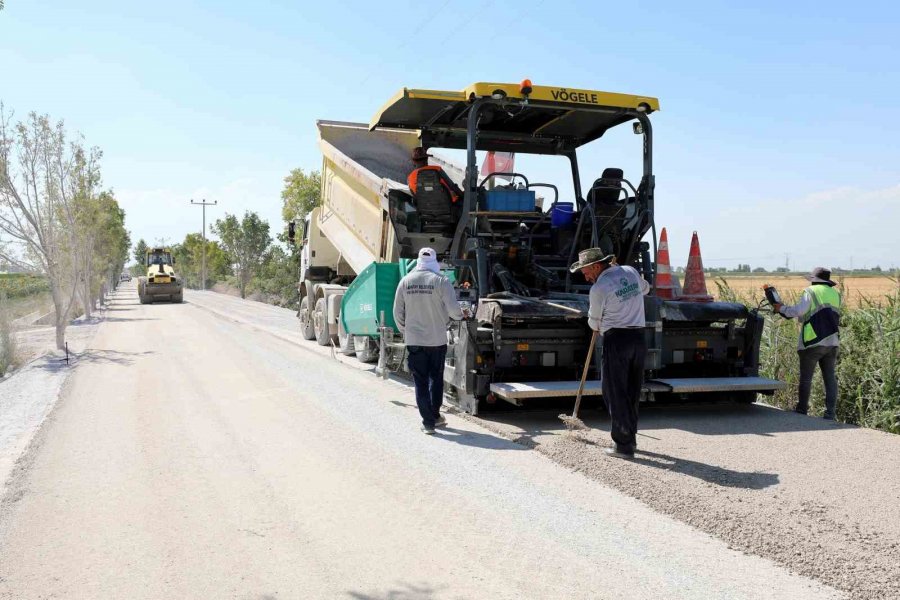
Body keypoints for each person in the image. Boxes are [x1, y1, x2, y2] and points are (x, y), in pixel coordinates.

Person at [570, 248, 650, 458]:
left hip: (617, 341)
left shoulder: (599, 288)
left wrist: (598, 318)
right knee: (631, 391)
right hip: (639, 338)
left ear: (597, 266)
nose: (586, 277)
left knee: (614, 392)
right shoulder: (630, 271)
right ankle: (630, 438)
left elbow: (594, 324)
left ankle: (622, 446)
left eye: (586, 272)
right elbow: (645, 289)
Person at [393, 247, 465, 434]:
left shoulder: (405, 281)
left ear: (418, 260)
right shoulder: (441, 281)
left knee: (420, 382)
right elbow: (454, 311)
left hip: (414, 341)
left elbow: (397, 312)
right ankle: (435, 415)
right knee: (436, 379)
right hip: (437, 341)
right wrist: (459, 316)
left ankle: (428, 423)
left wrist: (407, 331)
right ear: (434, 261)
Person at [772, 267, 842, 420]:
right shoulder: (835, 293)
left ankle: (802, 410)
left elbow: (799, 311)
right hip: (832, 342)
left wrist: (781, 308)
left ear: (814, 280)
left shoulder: (810, 291)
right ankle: (830, 414)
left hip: (813, 341)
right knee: (830, 378)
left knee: (806, 378)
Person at [407, 147, 464, 229]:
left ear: (413, 161)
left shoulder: (410, 178)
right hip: (448, 209)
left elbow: (416, 197)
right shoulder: (436, 170)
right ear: (426, 159)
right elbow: (452, 186)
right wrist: (463, 196)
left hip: (426, 213)